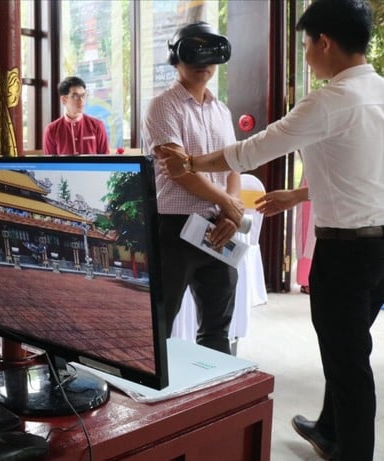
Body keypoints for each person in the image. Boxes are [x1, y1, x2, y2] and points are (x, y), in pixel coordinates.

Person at [160, 1, 383, 458]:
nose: (305, 56)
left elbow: (249, 152)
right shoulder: (379, 91)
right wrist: (297, 195)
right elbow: (360, 170)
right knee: (350, 342)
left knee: (347, 359)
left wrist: (196, 165)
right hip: (377, 248)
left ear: (324, 42)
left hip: (346, 254)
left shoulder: (328, 100)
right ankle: (328, 429)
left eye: (304, 45)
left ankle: (351, 448)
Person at [142, 21, 244, 355]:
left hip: (218, 227)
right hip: (174, 225)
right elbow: (179, 171)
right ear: (176, 58)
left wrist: (231, 212)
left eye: (211, 52)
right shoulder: (161, 106)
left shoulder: (221, 109)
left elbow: (232, 165)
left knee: (218, 325)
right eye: (193, 52)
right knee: (161, 320)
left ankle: (213, 395)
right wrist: (230, 206)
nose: (203, 62)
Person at [43, 76, 109, 155]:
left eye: (83, 95)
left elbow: (105, 161)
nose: (81, 100)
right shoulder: (51, 130)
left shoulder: (97, 126)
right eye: (75, 96)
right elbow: (50, 165)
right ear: (64, 100)